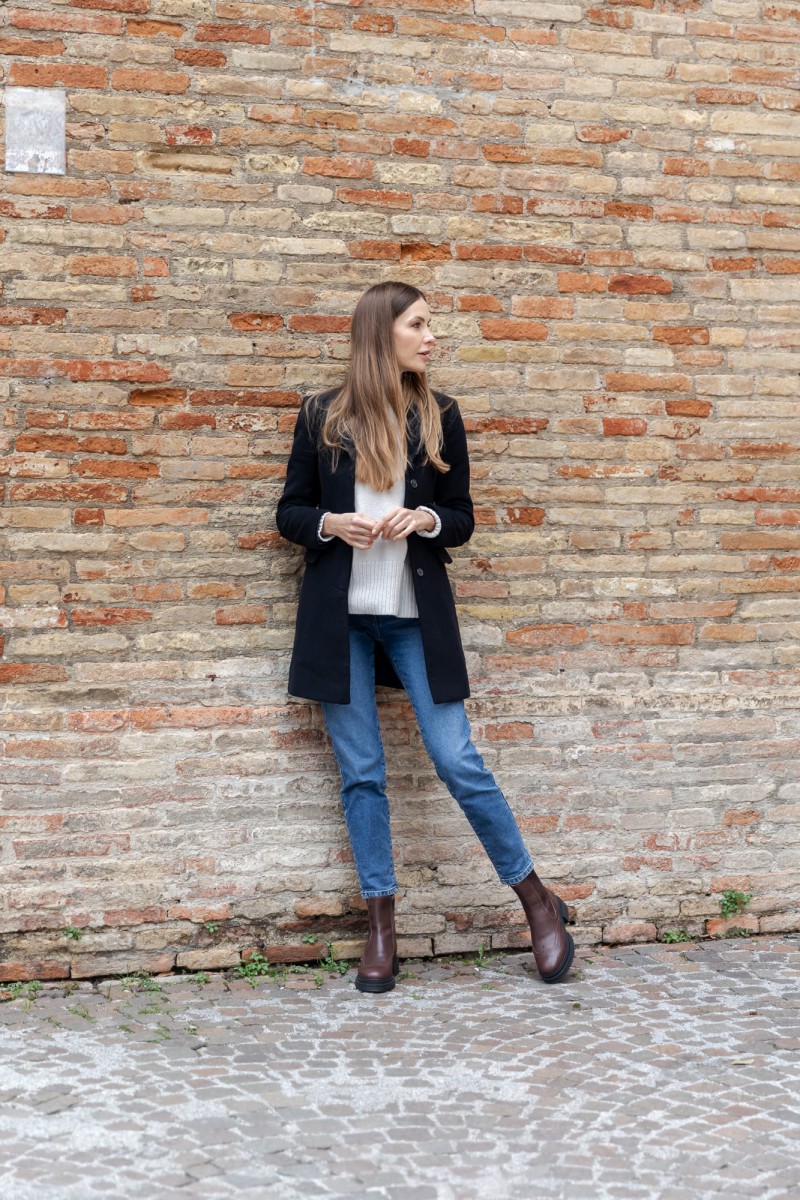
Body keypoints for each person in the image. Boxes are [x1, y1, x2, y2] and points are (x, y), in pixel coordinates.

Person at [276, 281, 574, 993]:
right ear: (383, 332)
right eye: (418, 324)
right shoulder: (321, 415)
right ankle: (382, 927)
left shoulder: (440, 416)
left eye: (429, 325)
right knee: (362, 773)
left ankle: (537, 901)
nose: (431, 336)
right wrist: (329, 525)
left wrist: (427, 520)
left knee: (457, 759)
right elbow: (289, 511)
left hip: (415, 617)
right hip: (340, 621)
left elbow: (462, 517)